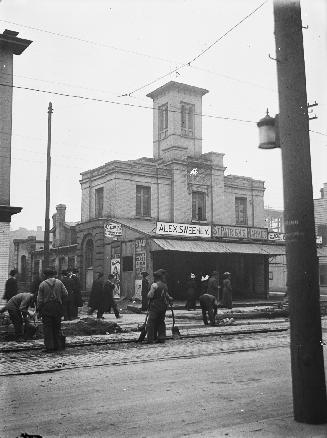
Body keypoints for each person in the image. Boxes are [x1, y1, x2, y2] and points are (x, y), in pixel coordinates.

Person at [37, 268, 68, 352]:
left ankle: (50, 347)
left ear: (45, 275)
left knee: (48, 328)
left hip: (47, 307)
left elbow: (39, 300)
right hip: (57, 307)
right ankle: (58, 346)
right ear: (53, 274)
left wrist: (38, 309)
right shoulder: (59, 282)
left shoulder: (42, 284)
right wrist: (60, 301)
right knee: (57, 327)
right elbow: (65, 294)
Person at [146, 269, 173, 344]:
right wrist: (170, 299)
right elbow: (167, 295)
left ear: (156, 278)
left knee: (151, 322)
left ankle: (150, 339)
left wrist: (148, 294)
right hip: (163, 306)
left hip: (155, 306)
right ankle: (161, 338)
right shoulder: (165, 285)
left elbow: (150, 296)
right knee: (161, 322)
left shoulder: (154, 285)